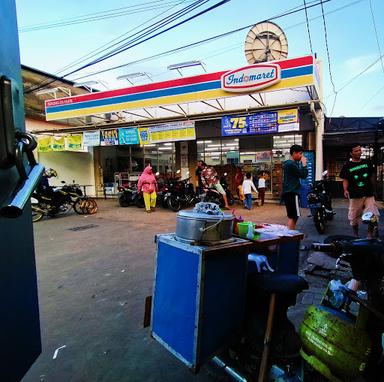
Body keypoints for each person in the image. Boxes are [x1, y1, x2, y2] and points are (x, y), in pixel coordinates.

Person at [339, 143, 379, 238]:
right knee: (354, 217)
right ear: (351, 153)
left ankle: (369, 235)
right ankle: (356, 235)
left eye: (359, 150)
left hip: (368, 193)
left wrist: (375, 189)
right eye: (356, 151)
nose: (359, 152)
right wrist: (345, 190)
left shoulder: (367, 163)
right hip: (355, 194)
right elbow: (345, 179)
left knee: (372, 215)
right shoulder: (347, 166)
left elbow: (372, 176)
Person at [282, 145, 308, 230]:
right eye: (300, 154)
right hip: (292, 192)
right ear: (294, 153)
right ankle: (291, 236)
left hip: (288, 192)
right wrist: (304, 165)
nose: (301, 156)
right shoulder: (291, 164)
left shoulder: (288, 164)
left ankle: (290, 235)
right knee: (294, 216)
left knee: (292, 216)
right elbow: (303, 175)